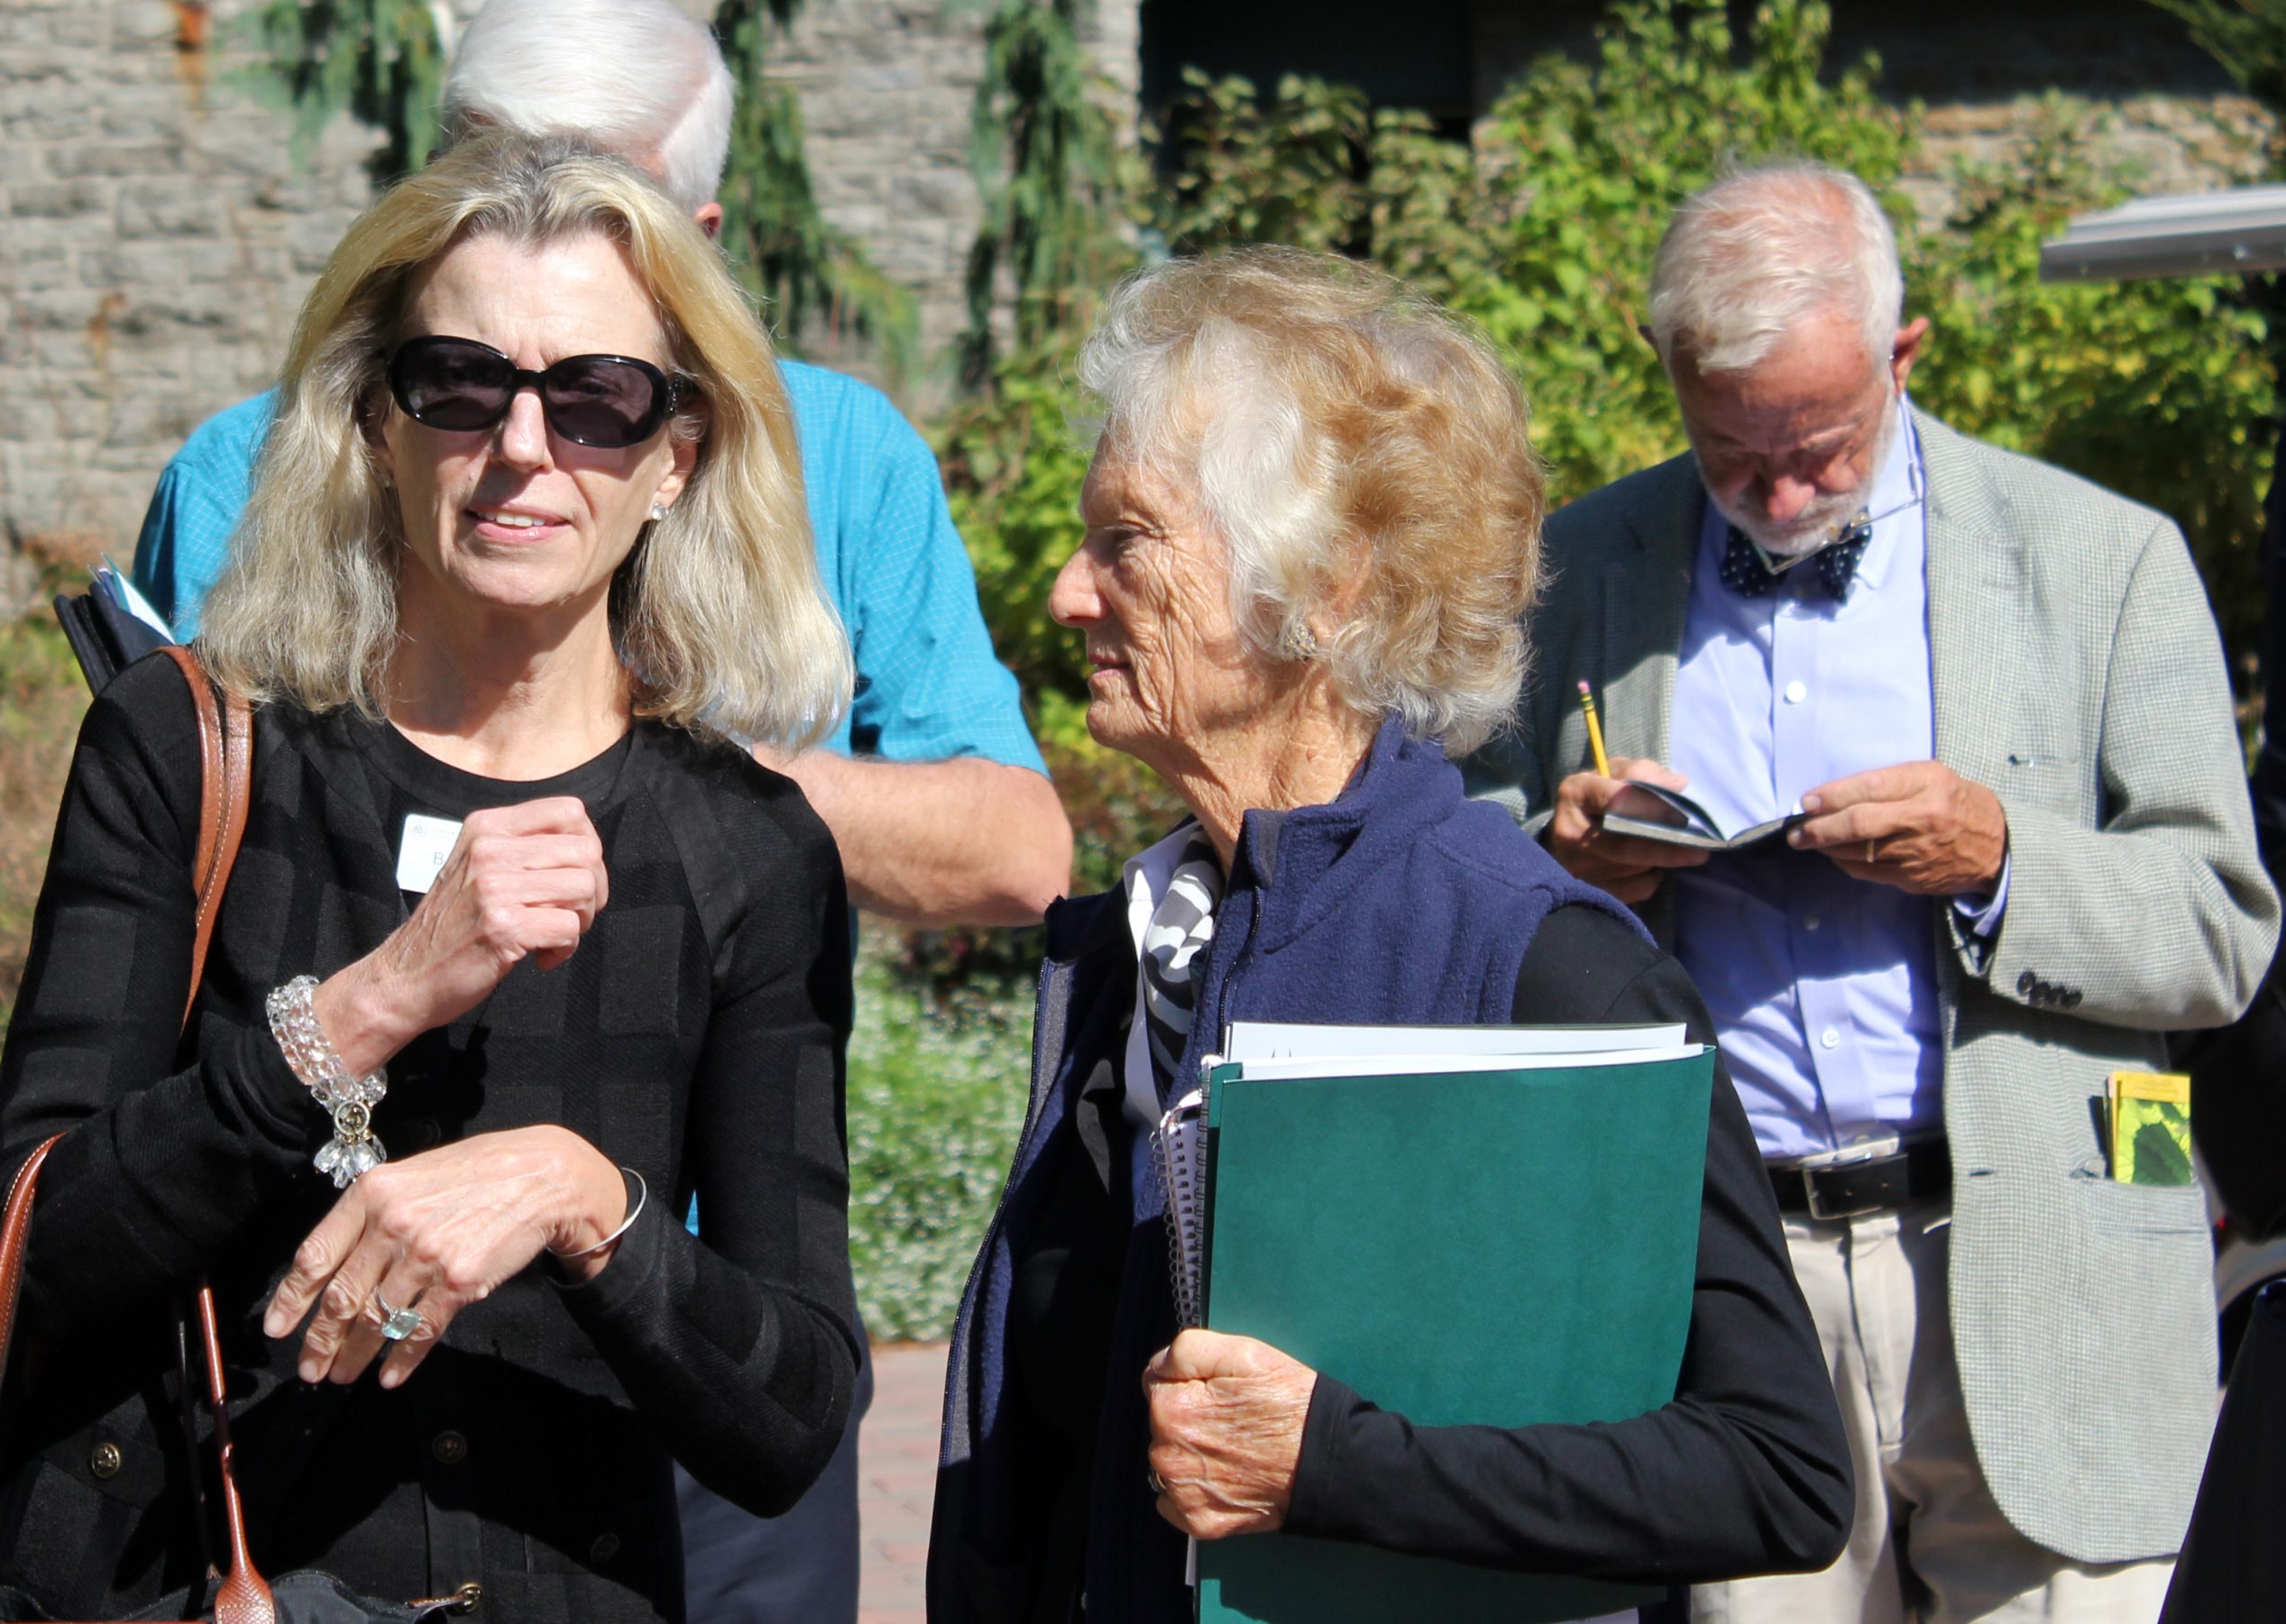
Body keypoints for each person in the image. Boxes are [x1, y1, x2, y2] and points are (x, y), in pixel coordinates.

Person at [127, 0, 1074, 1622]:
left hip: (687, 1321)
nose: (522, 432)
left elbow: (1019, 846)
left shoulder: (835, 455)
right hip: (301, 1323)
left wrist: (660, 792)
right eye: (484, 185)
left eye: (597, 396)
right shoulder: (251, 465)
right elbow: (172, 921)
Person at [0, 133, 859, 1623]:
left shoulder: (745, 850)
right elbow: (31, 1252)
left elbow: (792, 1415)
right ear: (376, 421)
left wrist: (587, 1202)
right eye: (461, 380)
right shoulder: (193, 754)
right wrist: (368, 1004)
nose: (524, 445)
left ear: (675, 458)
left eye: (596, 398)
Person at [928, 248, 1854, 1624]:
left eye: (1126, 539)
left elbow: (1775, 1470)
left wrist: (1338, 1464)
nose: (1069, 592)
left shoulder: (1544, 965)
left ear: (1333, 583)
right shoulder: (1140, 948)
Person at [1464, 161, 2281, 1622]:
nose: (1779, 494)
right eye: (1731, 451)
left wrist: (2002, 856)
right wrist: (1567, 862)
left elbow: (2222, 927)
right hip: (1723, 1279)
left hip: (2044, 1263)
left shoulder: (2102, 559)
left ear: (1905, 356)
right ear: (1670, 374)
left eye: (1824, 448)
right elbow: (1463, 893)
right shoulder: (1574, 571)